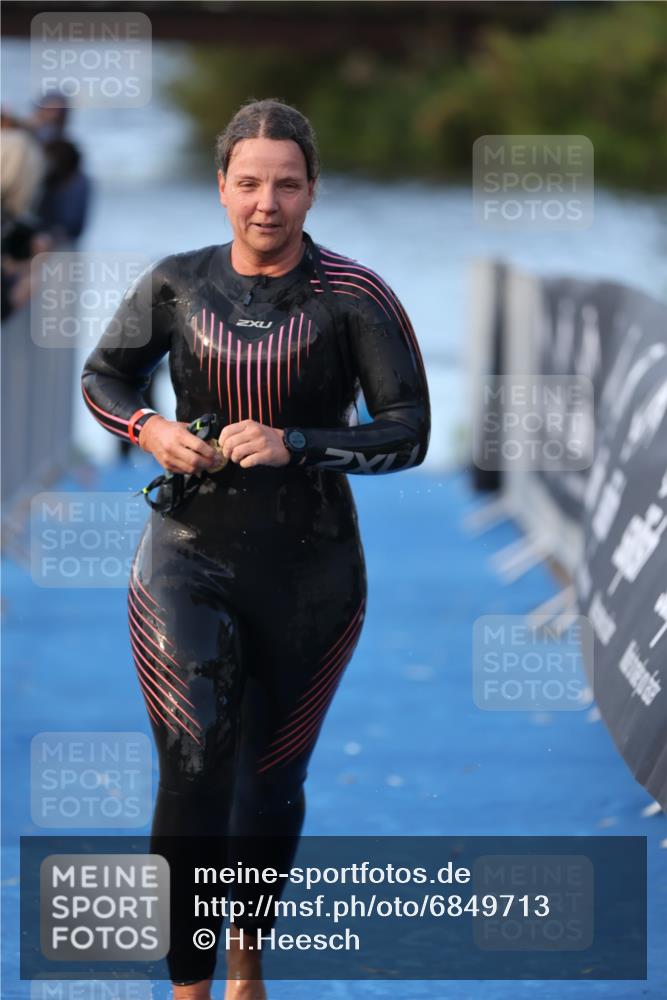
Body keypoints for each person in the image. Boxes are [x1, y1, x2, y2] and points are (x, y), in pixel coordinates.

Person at [81, 98, 430, 1000]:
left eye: (285, 184)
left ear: (312, 190)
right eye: (248, 183)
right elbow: (104, 375)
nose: (265, 203)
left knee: (270, 777)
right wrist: (150, 427)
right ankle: (187, 988)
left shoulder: (353, 297)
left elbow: (409, 432)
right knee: (195, 754)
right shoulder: (176, 283)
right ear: (221, 188)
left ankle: (245, 957)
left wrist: (296, 442)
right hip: (185, 554)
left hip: (311, 570)